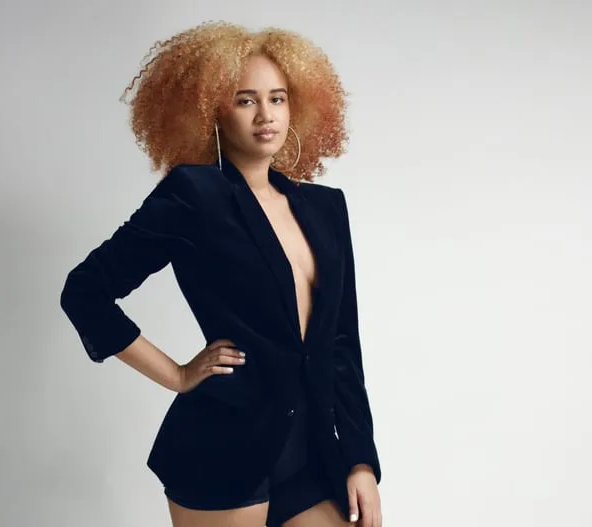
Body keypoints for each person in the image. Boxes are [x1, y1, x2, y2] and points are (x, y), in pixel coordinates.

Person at [59, 21, 382, 527]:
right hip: (223, 449)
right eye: (245, 100)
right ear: (212, 109)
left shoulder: (324, 208)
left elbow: (341, 343)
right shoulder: (193, 195)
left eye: (277, 98)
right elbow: (85, 292)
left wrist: (360, 460)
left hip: (310, 451)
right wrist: (177, 375)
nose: (265, 115)